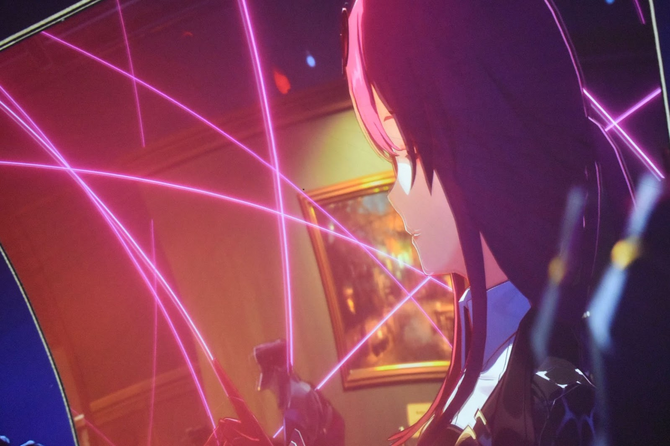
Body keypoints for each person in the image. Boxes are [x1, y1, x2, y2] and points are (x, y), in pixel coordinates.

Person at [342, 0, 630, 444]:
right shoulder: (496, 357)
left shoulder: (560, 396)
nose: (395, 196)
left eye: (407, 152)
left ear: (490, 140)